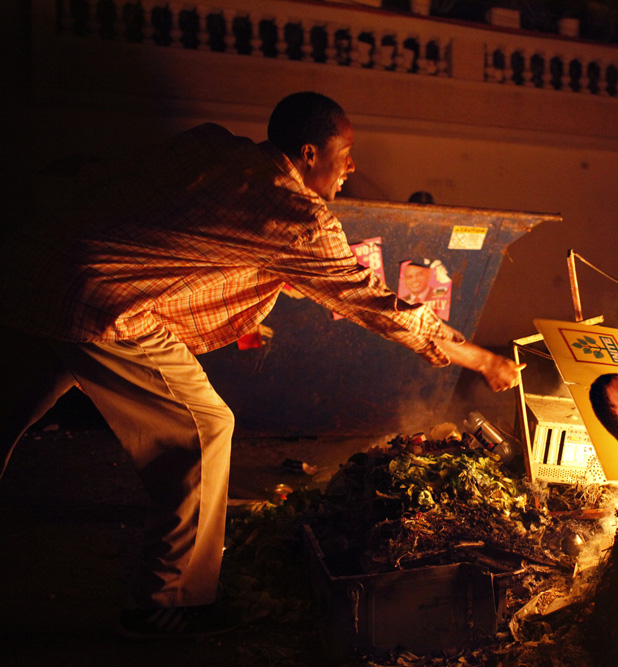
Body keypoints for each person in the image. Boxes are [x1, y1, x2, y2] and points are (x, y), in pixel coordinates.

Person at [0, 91, 521, 638]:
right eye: (346, 153)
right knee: (203, 427)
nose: (353, 167)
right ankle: (171, 602)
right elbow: (376, 306)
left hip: (34, 271)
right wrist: (478, 358)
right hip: (106, 303)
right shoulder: (297, 217)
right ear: (309, 154)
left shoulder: (215, 148)